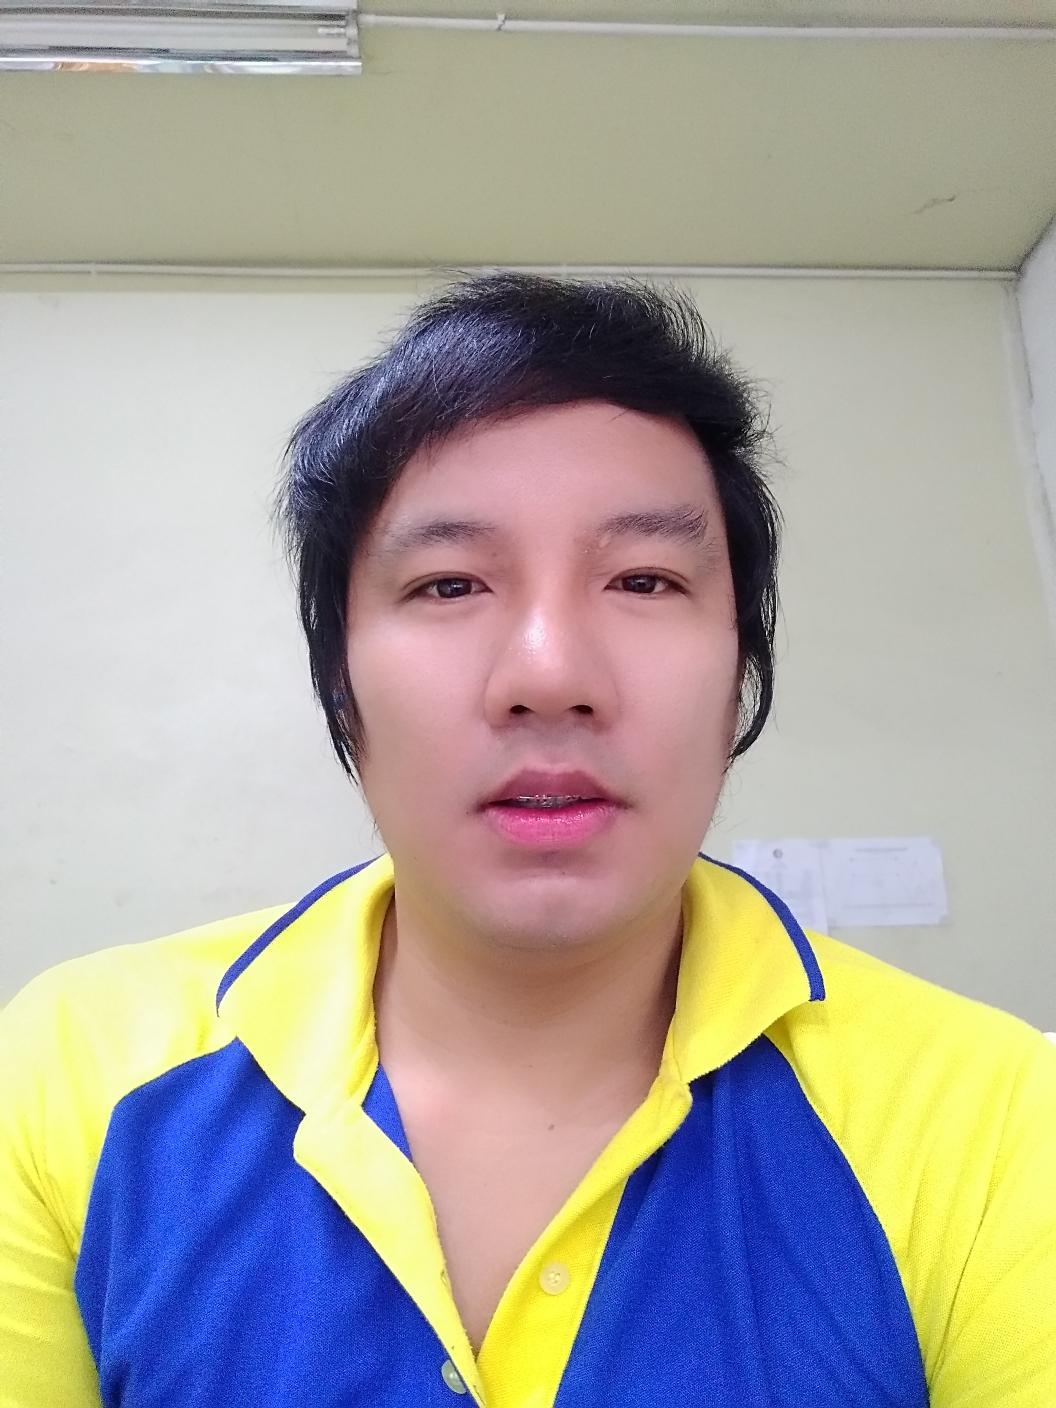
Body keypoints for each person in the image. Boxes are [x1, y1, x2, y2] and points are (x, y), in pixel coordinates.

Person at [1, 273, 1054, 1408]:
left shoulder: (997, 1113)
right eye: (449, 584)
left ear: (740, 670)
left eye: (644, 579)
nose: (549, 674)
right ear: (339, 680)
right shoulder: (73, 1070)